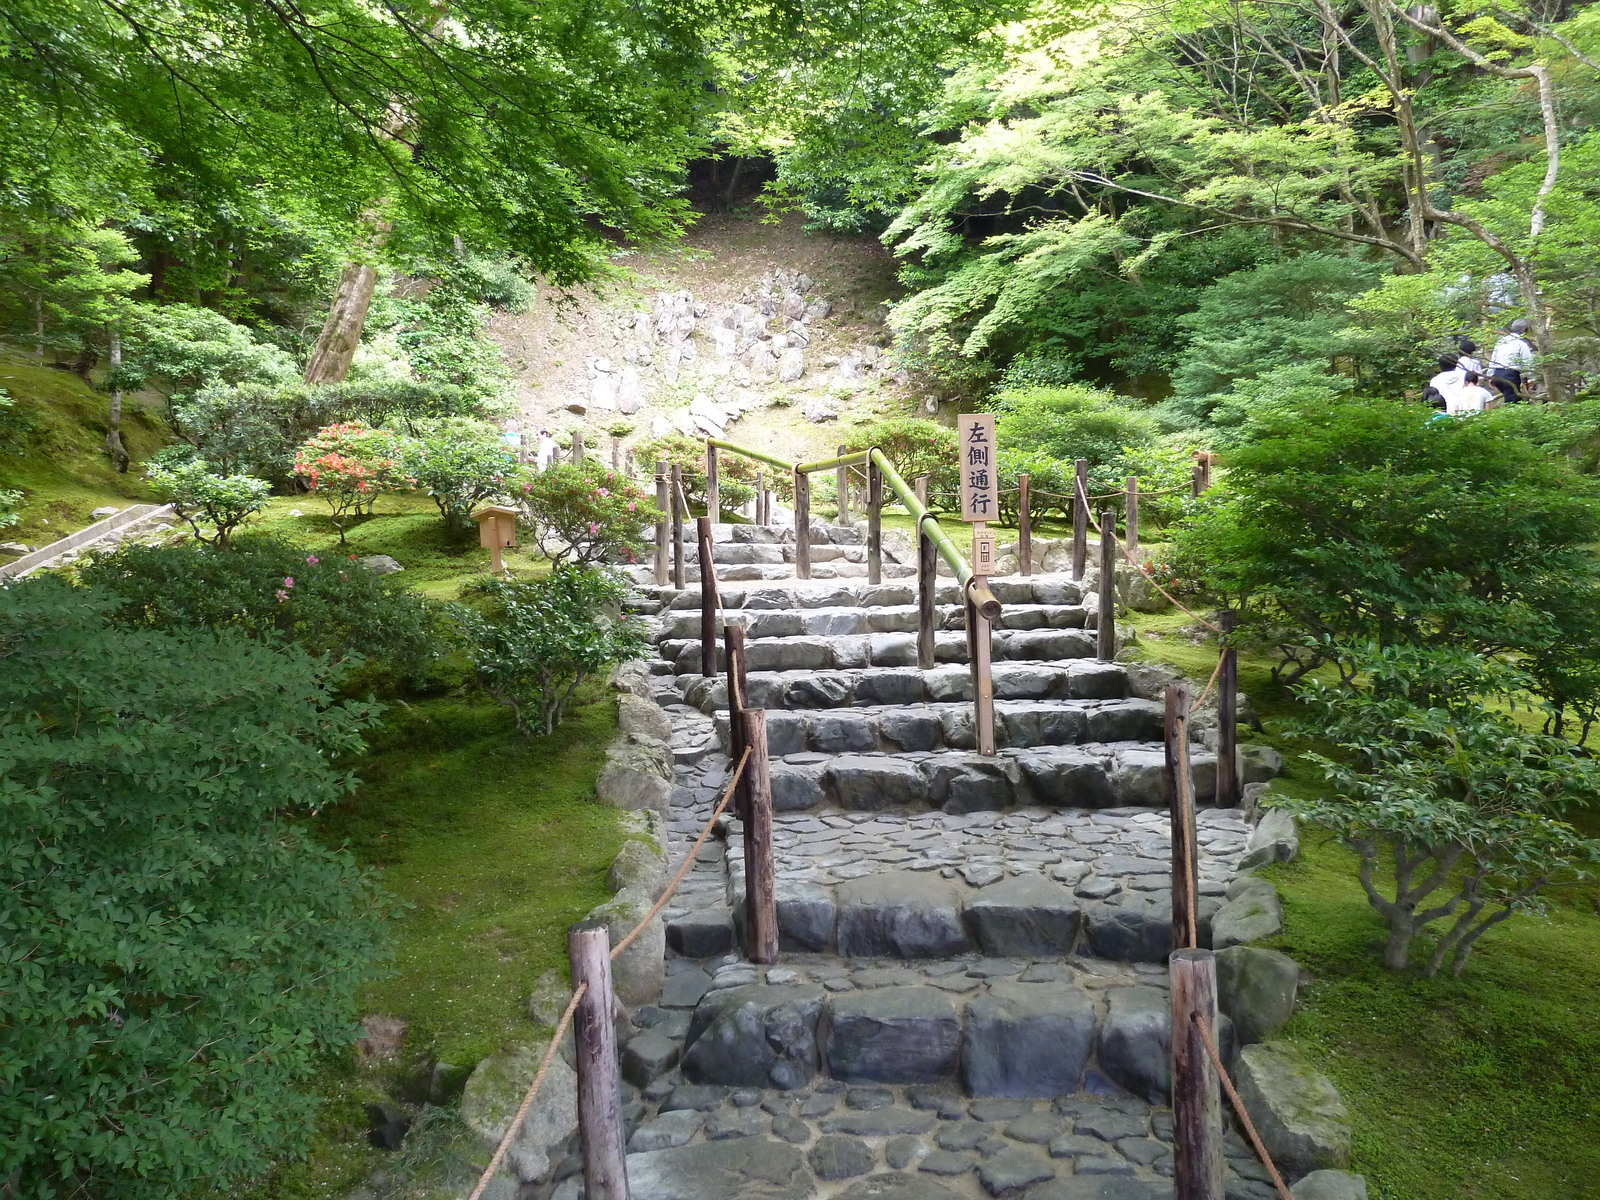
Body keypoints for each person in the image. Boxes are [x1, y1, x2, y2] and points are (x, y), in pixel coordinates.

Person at [1487, 319, 1536, 403]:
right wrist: (1532, 379)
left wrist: (1490, 376)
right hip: (1510, 376)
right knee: (1512, 402)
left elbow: (1493, 359)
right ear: (1524, 330)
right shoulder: (1521, 343)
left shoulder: (1501, 341)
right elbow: (1527, 363)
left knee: (1515, 399)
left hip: (1497, 374)